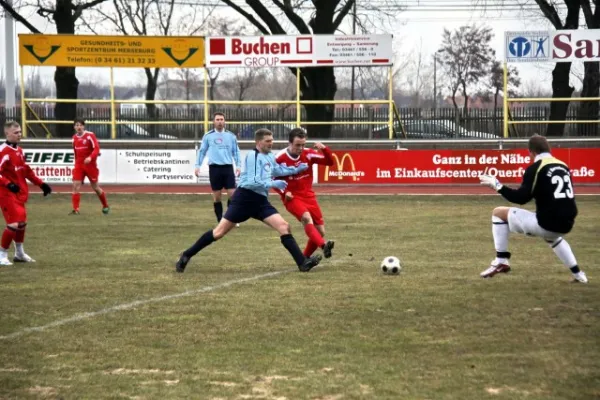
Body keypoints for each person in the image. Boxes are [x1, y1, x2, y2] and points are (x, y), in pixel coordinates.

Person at [176, 128, 322, 273]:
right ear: (258, 142)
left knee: (284, 227)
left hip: (260, 201)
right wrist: (272, 184)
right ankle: (186, 255)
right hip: (244, 199)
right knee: (218, 233)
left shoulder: (270, 156)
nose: (271, 143)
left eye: (272, 141)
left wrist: (295, 170)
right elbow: (253, 182)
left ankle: (302, 263)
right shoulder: (253, 156)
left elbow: (277, 170)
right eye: (268, 141)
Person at [479, 134, 587, 283]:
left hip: (547, 222)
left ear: (532, 152)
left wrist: (497, 186)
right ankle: (579, 275)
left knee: (498, 213)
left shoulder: (536, 168)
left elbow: (520, 198)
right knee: (553, 237)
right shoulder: (562, 165)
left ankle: (501, 260)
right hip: (568, 222)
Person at [275, 128, 335, 258]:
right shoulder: (279, 158)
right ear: (289, 143)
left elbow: (330, 162)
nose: (301, 148)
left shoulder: (308, 154)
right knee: (306, 218)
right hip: (292, 198)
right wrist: (283, 192)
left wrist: (324, 149)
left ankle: (304, 258)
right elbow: (270, 178)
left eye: (303, 144)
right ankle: (324, 246)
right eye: (297, 145)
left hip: (309, 196)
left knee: (320, 231)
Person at [0, 121, 52, 265]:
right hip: (6, 194)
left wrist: (41, 184)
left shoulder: (20, 151)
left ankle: (19, 253)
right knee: (13, 224)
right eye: (16, 133)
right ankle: (2, 254)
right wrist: (8, 184)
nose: (19, 135)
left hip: (19, 193)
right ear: (7, 133)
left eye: (20, 132)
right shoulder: (3, 151)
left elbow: (26, 171)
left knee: (22, 223)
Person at [194, 112, 241, 223]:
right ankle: (220, 220)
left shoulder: (231, 136)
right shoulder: (208, 136)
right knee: (217, 196)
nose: (220, 122)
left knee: (232, 195)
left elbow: (236, 152)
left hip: (228, 168)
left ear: (224, 121)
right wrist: (197, 166)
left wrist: (238, 165)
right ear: (213, 122)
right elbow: (202, 152)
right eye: (217, 120)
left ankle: (231, 219)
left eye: (221, 119)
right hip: (214, 169)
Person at [70, 119, 109, 215]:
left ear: (83, 126)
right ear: (74, 127)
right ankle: (76, 209)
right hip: (79, 165)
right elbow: (75, 153)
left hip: (90, 165)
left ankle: (105, 205)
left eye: (80, 125)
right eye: (76, 125)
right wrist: (76, 164)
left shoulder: (90, 135)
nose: (78, 127)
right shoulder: (74, 138)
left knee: (95, 187)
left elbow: (96, 148)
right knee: (75, 185)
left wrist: (90, 158)